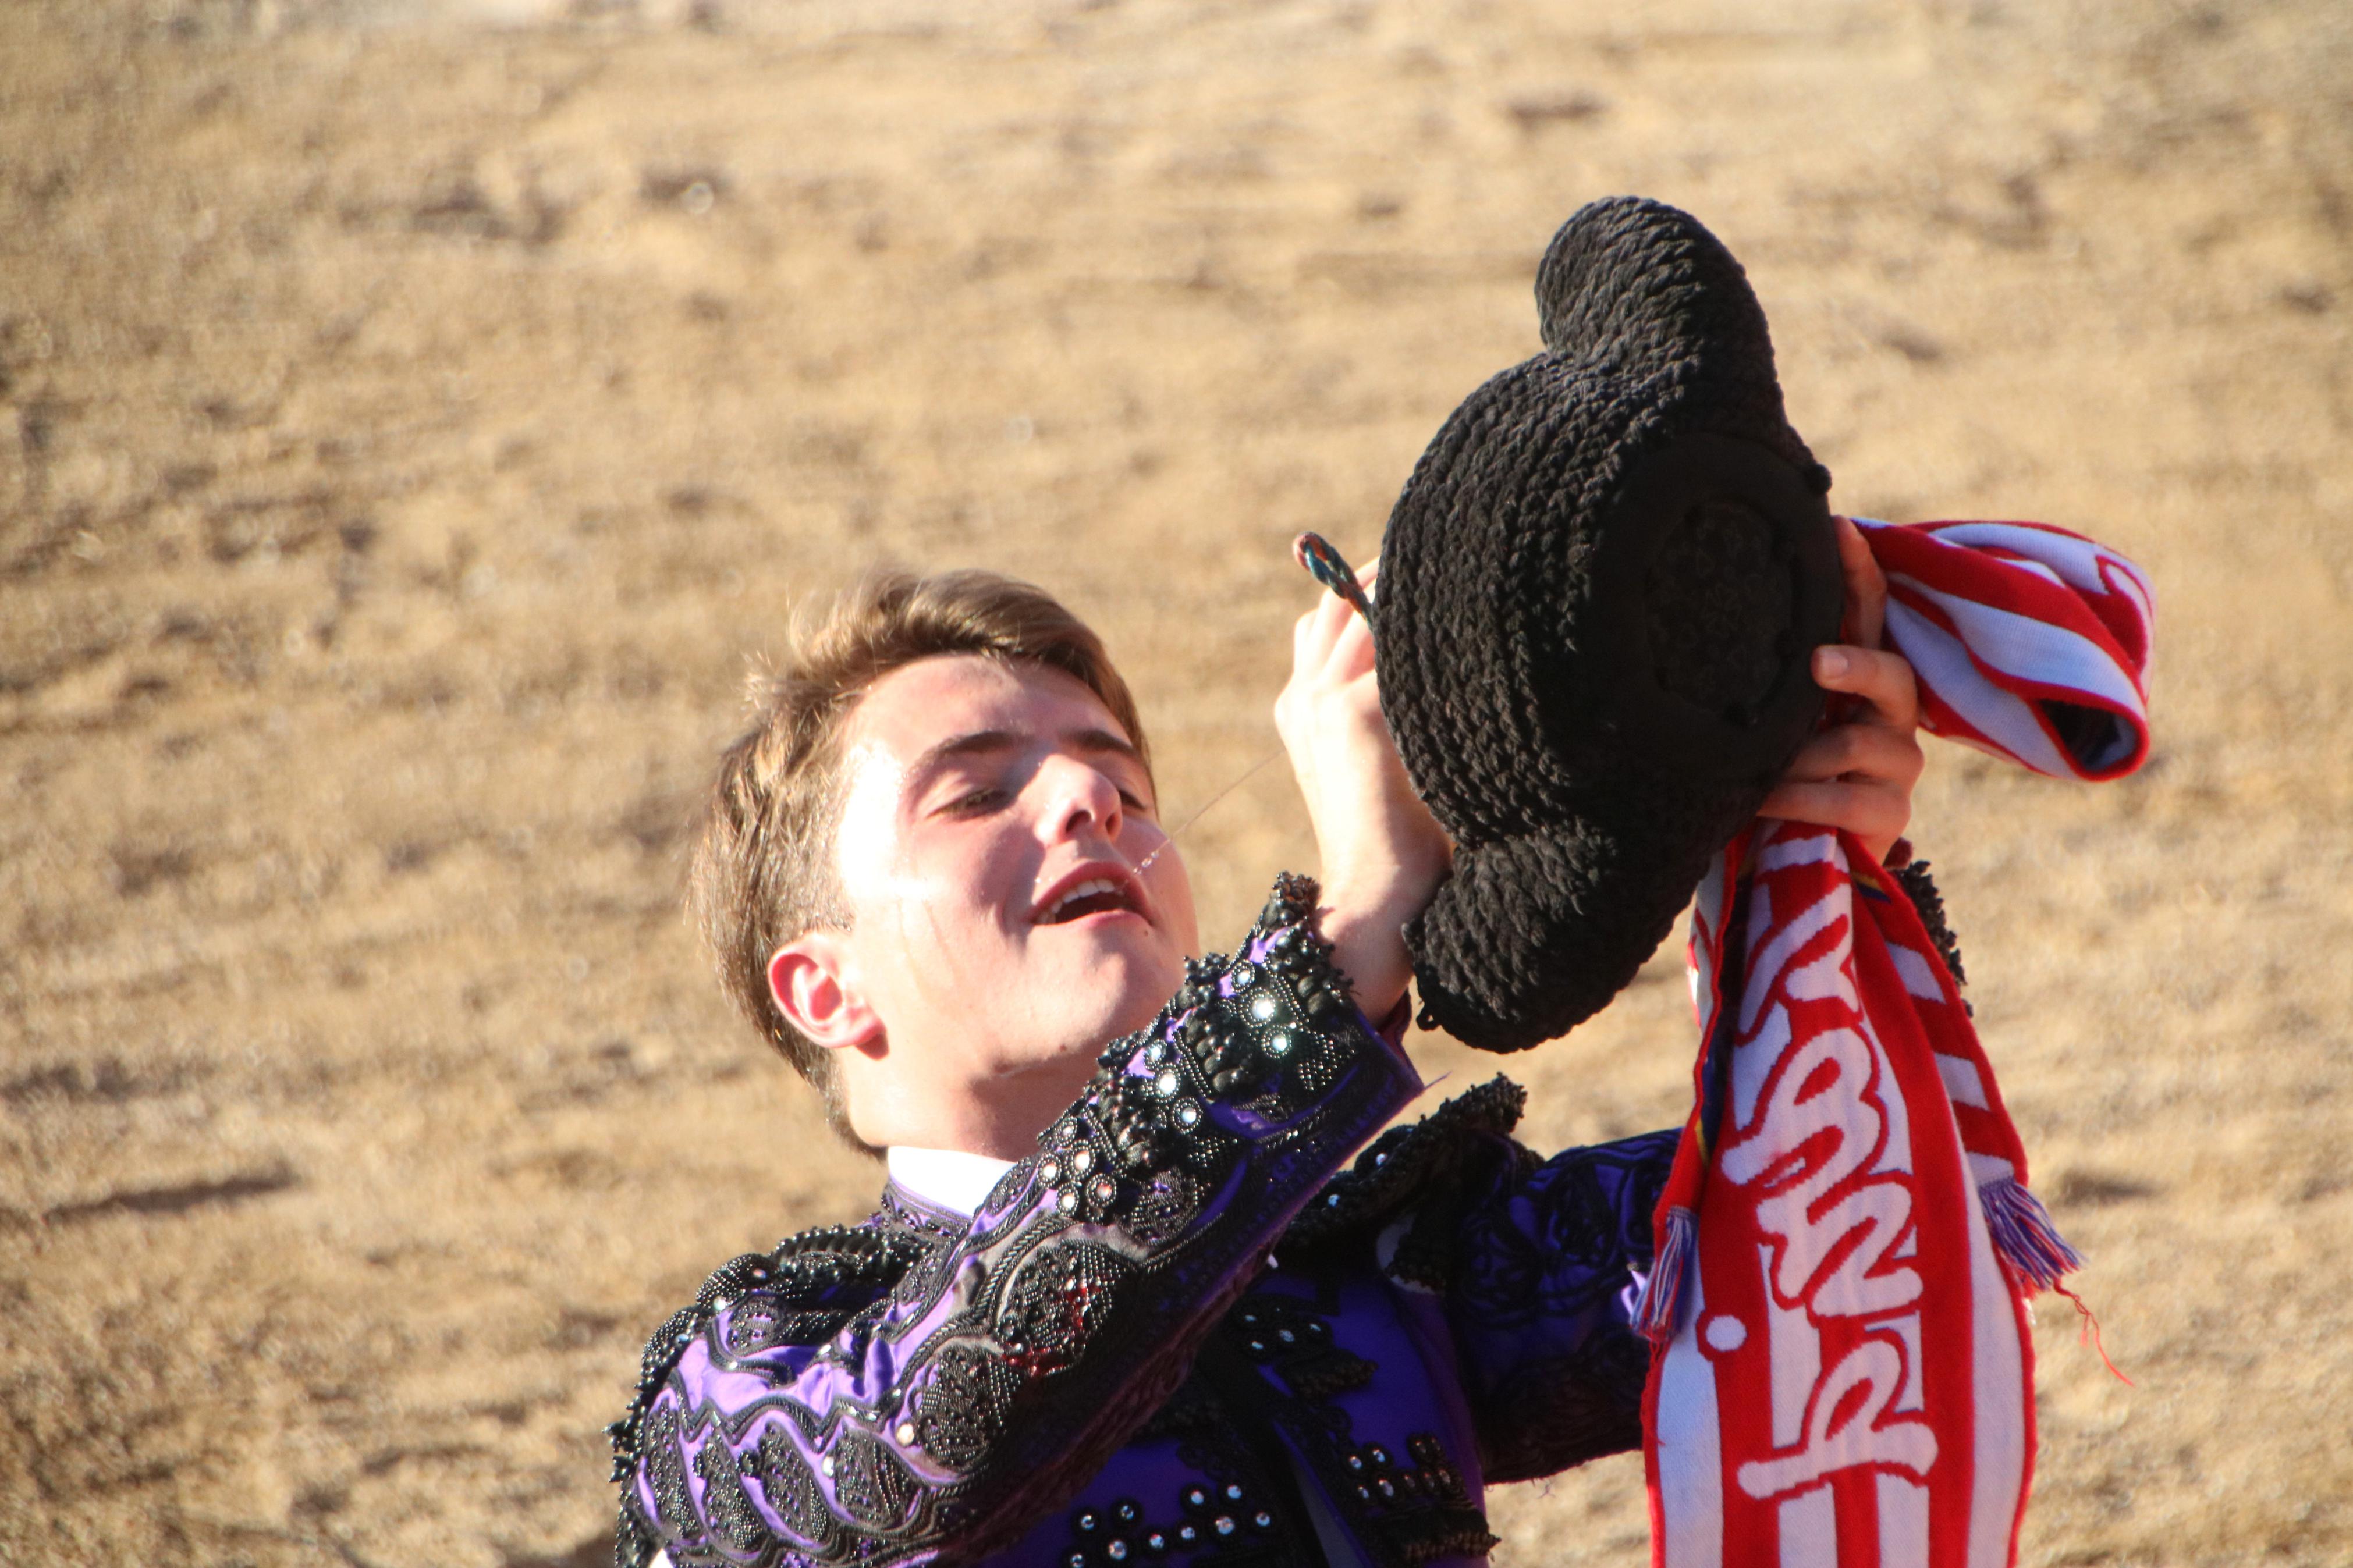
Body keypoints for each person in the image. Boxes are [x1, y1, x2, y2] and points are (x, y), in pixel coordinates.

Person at [609, 529, 1923, 1568]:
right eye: (977, 789)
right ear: (823, 989)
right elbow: (931, 1448)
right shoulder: (739, 1387)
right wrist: (1343, 939)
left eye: (1119, 780)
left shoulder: (1387, 1270)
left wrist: (1805, 852)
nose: (1090, 799)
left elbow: (1846, 1215)